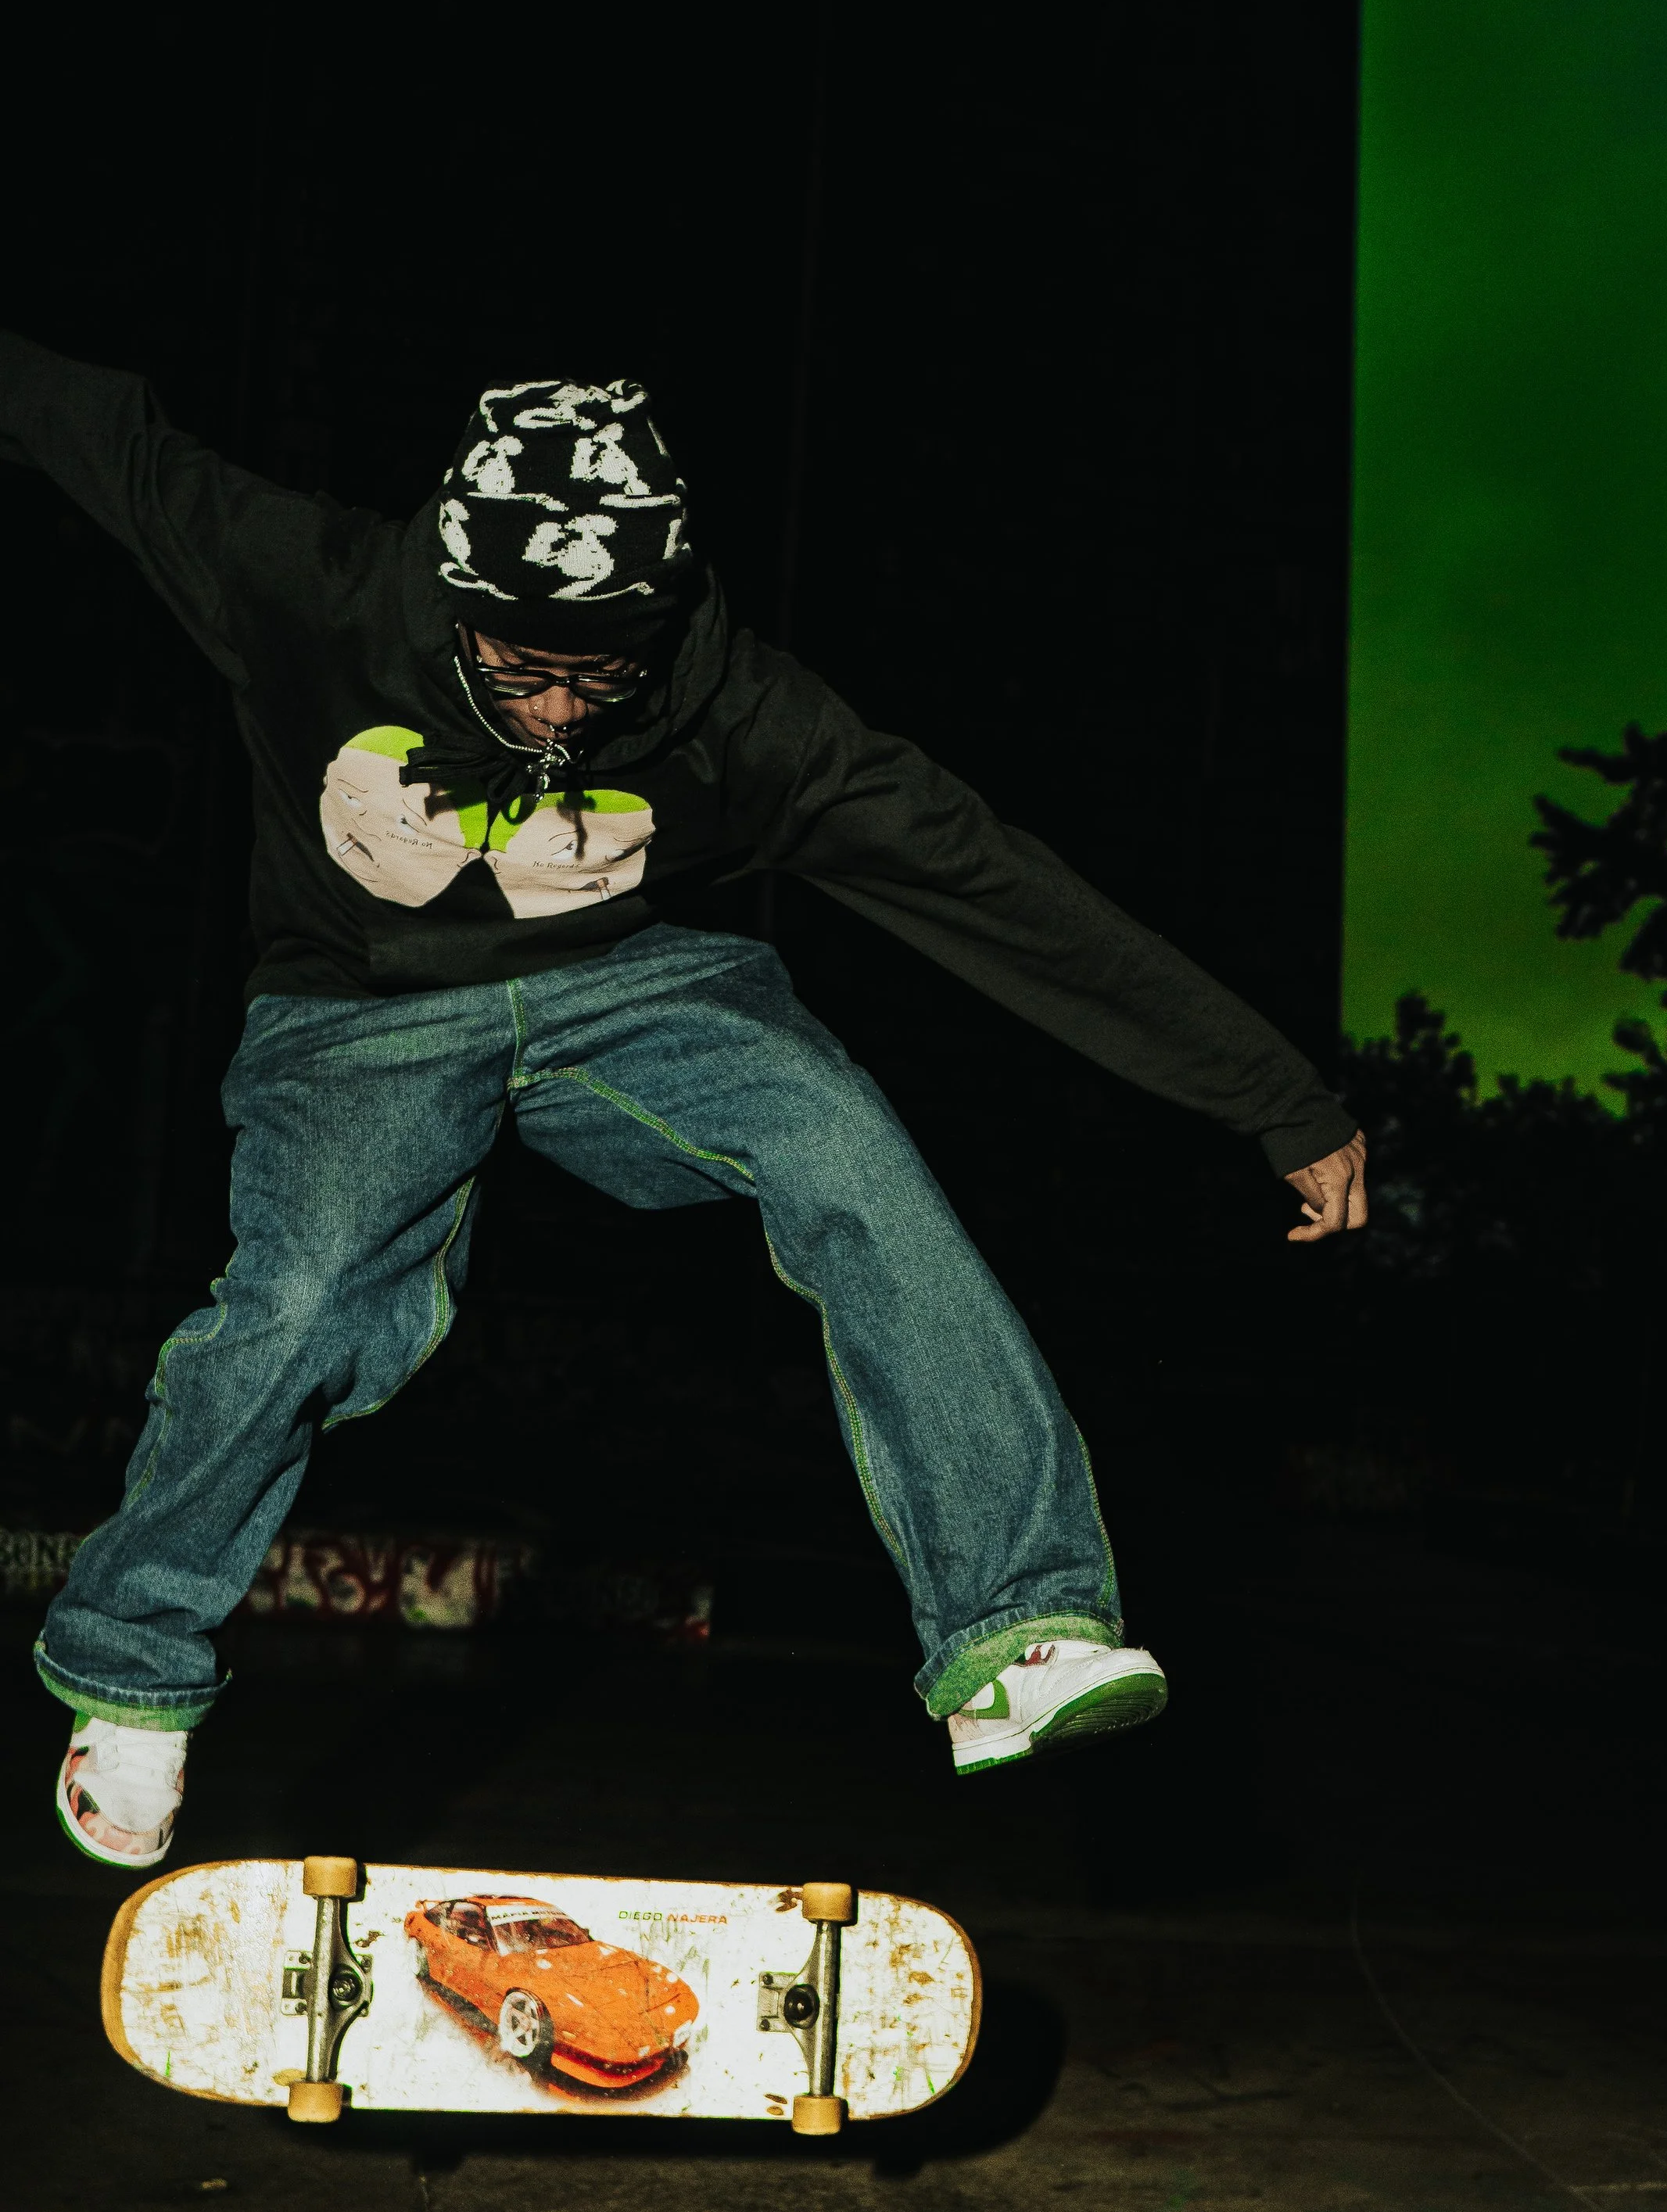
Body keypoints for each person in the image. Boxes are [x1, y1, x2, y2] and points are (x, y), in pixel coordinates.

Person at [0, 343, 1367, 1869]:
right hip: (357, 1017)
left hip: (633, 994)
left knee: (839, 1138)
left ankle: (1016, 1626)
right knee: (308, 1297)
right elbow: (100, 434)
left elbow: (996, 889)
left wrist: (1271, 1096)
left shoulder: (750, 716)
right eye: (522, 667)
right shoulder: (300, 580)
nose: (561, 711)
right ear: (452, 595)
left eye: (603, 674)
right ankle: (131, 1668)